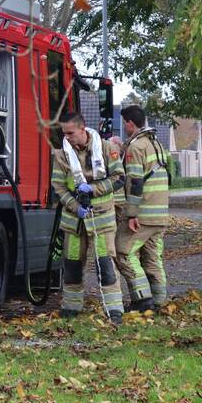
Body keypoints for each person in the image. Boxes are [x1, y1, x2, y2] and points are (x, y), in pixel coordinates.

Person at [50, 111, 126, 324]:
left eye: (71, 133)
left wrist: (93, 189)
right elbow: (58, 186)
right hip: (74, 220)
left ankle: (114, 310)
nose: (67, 138)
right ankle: (71, 308)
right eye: (64, 134)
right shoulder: (62, 154)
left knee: (106, 265)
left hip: (101, 218)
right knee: (72, 264)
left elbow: (119, 178)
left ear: (82, 129)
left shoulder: (106, 149)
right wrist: (75, 205)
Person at [114, 105, 170, 312]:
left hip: (143, 214)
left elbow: (135, 183)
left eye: (124, 123)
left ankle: (142, 299)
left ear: (129, 123)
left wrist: (131, 214)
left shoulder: (136, 148)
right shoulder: (156, 145)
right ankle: (159, 302)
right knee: (153, 258)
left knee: (124, 252)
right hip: (160, 214)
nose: (124, 127)